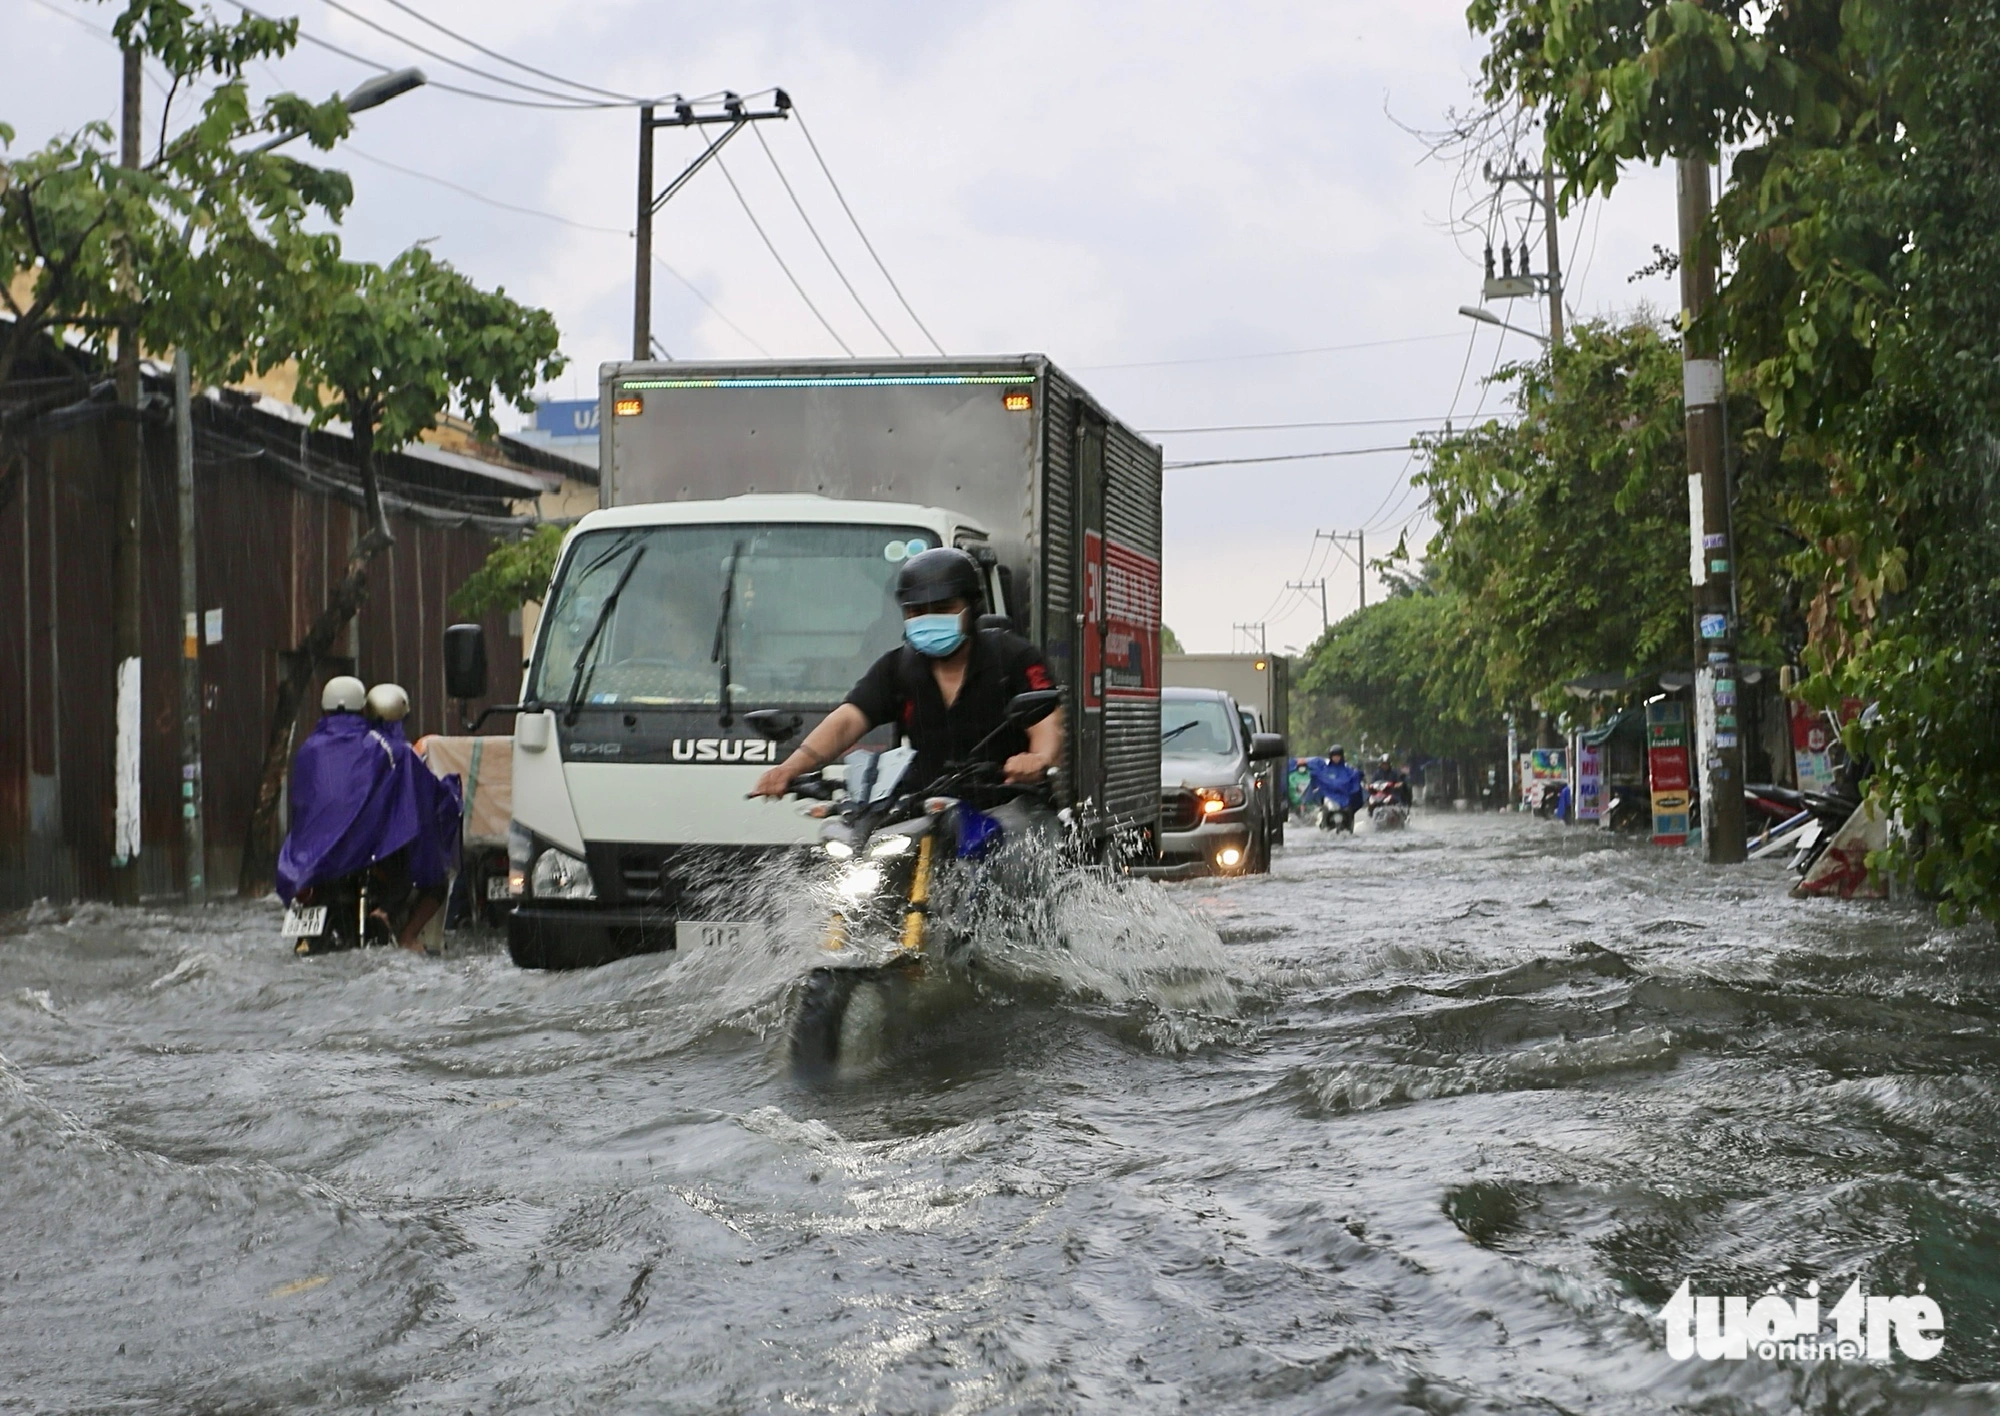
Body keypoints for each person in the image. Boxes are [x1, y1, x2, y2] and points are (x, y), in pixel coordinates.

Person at [750, 548, 1062, 823]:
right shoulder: (898, 667)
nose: (928, 619)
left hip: (1009, 803)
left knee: (1023, 857)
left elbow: (1045, 721)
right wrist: (789, 769)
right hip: (926, 808)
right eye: (916, 612)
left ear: (973, 606)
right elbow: (847, 721)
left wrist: (1037, 760)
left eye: (942, 608)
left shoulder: (1013, 657)